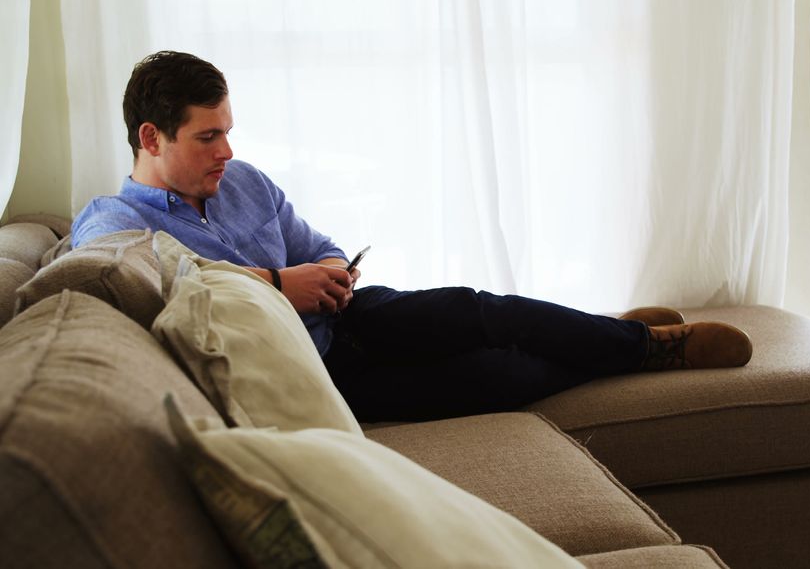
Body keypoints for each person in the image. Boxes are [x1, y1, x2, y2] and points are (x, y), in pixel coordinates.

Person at [72, 51, 753, 422]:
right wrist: (284, 288)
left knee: (483, 310)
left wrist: (331, 271)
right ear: (151, 138)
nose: (226, 150)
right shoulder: (114, 224)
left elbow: (315, 245)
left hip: (350, 315)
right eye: (208, 136)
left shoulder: (243, 179)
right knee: (498, 374)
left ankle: (636, 341)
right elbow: (158, 283)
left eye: (229, 130)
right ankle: (624, 347)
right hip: (316, 374)